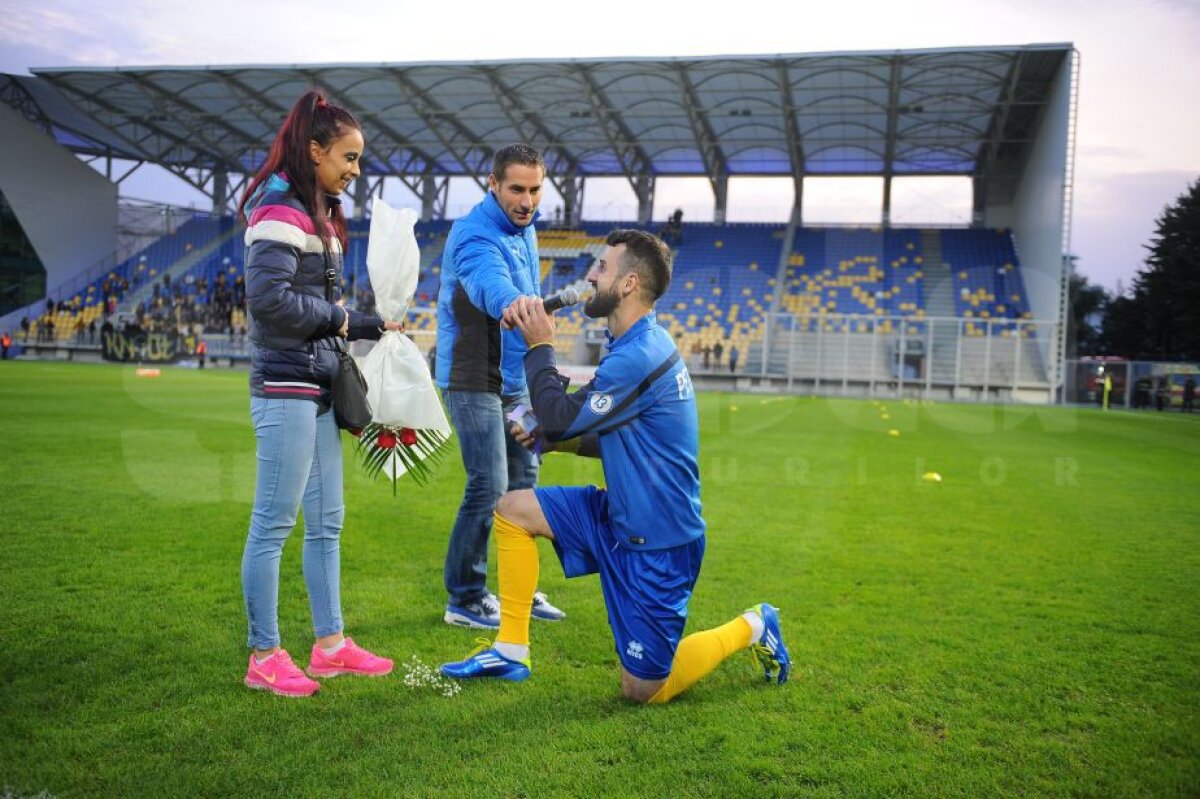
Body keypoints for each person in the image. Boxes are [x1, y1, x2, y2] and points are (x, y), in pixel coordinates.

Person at [440, 229, 790, 704]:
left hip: (661, 541)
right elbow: (611, 437)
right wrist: (554, 441)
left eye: (601, 267)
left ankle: (753, 625)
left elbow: (559, 417)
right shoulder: (632, 345)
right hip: (618, 514)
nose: (589, 275)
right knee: (512, 509)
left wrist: (541, 346)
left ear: (627, 284)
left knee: (645, 690)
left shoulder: (639, 354)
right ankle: (511, 649)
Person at [237, 90, 403, 698]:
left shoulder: (318, 211)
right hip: (285, 383)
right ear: (314, 151)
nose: (356, 169)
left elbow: (321, 307)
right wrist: (343, 322)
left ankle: (330, 645)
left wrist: (361, 323)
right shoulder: (281, 209)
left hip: (318, 382)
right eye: (348, 157)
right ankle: (263, 655)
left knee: (327, 522)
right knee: (274, 524)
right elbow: (270, 302)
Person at [434, 143, 565, 629]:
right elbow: (489, 280)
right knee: (489, 484)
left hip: (514, 380)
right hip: (472, 378)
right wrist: (512, 304)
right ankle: (465, 597)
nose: (527, 200)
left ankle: (517, 589)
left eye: (534, 190)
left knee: (525, 483)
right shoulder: (473, 233)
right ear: (493, 184)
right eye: (516, 189)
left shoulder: (526, 229)